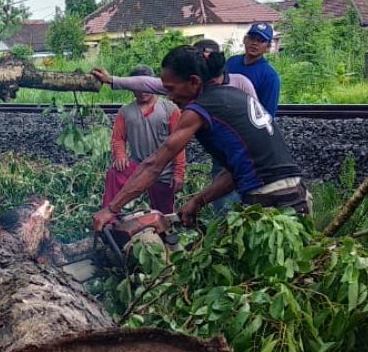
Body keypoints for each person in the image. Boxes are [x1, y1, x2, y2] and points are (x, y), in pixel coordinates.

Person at [92, 46, 309, 234]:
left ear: (194, 82)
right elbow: (235, 173)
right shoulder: (231, 95)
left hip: (270, 201)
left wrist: (112, 209)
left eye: (171, 89)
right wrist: (197, 201)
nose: (170, 97)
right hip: (297, 195)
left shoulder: (201, 108)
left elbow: (154, 164)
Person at [103, 65, 185, 215]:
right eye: (137, 87)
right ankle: (110, 218)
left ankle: (163, 232)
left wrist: (178, 172)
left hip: (163, 170)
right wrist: (120, 155)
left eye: (145, 86)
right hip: (138, 167)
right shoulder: (125, 112)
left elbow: (179, 143)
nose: (142, 91)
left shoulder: (170, 109)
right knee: (115, 173)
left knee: (164, 214)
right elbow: (118, 138)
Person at [91, 39, 259, 98]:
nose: (171, 97)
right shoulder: (187, 86)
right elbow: (148, 83)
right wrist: (112, 80)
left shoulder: (240, 84)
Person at [225, 22, 281, 115]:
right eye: (252, 38)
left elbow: (268, 114)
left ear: (268, 47)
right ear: (244, 39)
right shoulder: (231, 62)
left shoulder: (269, 76)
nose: (255, 43)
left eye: (261, 40)